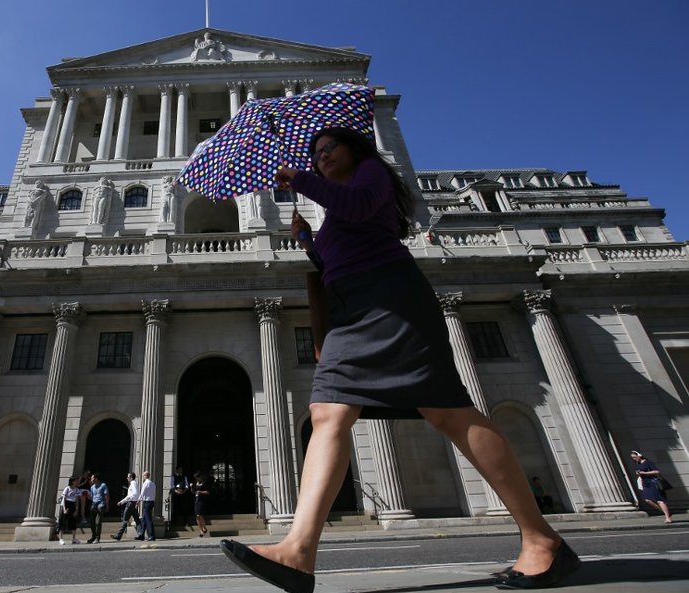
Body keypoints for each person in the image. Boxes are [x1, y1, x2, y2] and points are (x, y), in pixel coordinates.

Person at [219, 127, 580, 592]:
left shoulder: (372, 176)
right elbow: (337, 255)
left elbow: (358, 208)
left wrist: (301, 178)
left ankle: (541, 539)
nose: (323, 156)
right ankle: (298, 551)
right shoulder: (334, 208)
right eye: (316, 153)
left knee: (448, 412)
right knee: (327, 411)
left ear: (355, 150)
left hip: (392, 299)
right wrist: (309, 240)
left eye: (330, 148)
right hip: (350, 313)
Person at [630, 451, 674, 524]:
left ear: (639, 456)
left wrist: (645, 473)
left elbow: (657, 471)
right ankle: (667, 512)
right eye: (632, 458)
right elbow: (640, 473)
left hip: (653, 482)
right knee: (648, 500)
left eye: (634, 457)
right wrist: (639, 474)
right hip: (646, 484)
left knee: (660, 500)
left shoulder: (648, 462)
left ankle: (668, 517)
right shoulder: (638, 464)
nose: (634, 459)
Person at [112, 472, 143, 541]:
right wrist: (122, 502)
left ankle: (118, 535)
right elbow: (133, 494)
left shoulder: (133, 483)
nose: (127, 478)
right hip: (133, 503)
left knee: (125, 519)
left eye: (128, 477)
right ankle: (141, 534)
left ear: (131, 477)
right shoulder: (134, 483)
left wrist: (126, 500)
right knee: (137, 520)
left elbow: (134, 494)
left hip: (130, 504)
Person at [87, 473, 109, 544]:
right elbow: (92, 497)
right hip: (94, 504)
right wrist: (87, 496)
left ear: (96, 478)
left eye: (92, 478)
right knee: (91, 522)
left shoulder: (103, 485)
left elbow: (106, 496)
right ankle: (93, 536)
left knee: (98, 522)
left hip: (101, 504)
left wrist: (107, 505)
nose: (91, 480)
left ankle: (97, 538)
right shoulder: (92, 487)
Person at [57, 476, 80, 545]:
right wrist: (64, 509)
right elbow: (64, 499)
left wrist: (76, 509)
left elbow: (77, 500)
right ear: (72, 481)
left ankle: (73, 538)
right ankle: (61, 538)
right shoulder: (67, 488)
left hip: (72, 505)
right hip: (66, 504)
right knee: (62, 522)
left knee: (73, 522)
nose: (77, 482)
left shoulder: (76, 490)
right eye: (76, 480)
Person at [135, 470, 157, 541]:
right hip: (151, 502)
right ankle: (141, 535)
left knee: (148, 519)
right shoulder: (153, 484)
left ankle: (152, 536)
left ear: (145, 476)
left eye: (143, 475)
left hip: (147, 502)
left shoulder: (145, 484)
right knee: (144, 519)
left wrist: (138, 502)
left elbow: (142, 493)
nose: (143, 477)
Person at [191, 470, 211, 538]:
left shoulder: (204, 483)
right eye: (195, 478)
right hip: (196, 500)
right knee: (197, 516)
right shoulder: (195, 483)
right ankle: (201, 531)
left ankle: (204, 527)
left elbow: (208, 492)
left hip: (201, 501)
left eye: (197, 477)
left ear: (200, 477)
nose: (196, 479)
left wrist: (200, 492)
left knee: (199, 514)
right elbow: (193, 492)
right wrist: (191, 487)